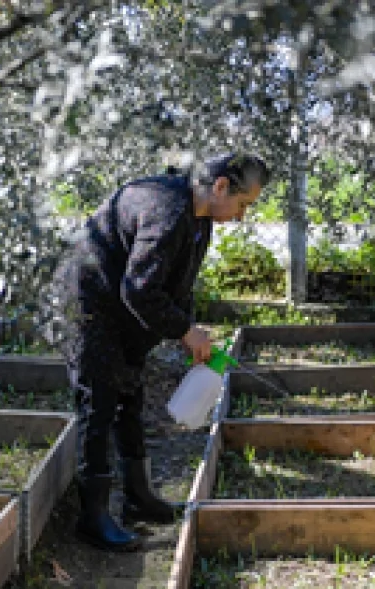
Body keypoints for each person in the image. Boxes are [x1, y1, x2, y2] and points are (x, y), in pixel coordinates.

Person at [57, 153, 271, 551]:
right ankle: (93, 516)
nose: (241, 217)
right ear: (221, 186)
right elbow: (139, 288)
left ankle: (138, 497)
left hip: (123, 305)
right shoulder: (168, 212)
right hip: (90, 301)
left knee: (130, 393)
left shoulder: (200, 220)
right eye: (243, 205)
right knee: (99, 403)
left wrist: (186, 330)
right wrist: (185, 331)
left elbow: (178, 285)